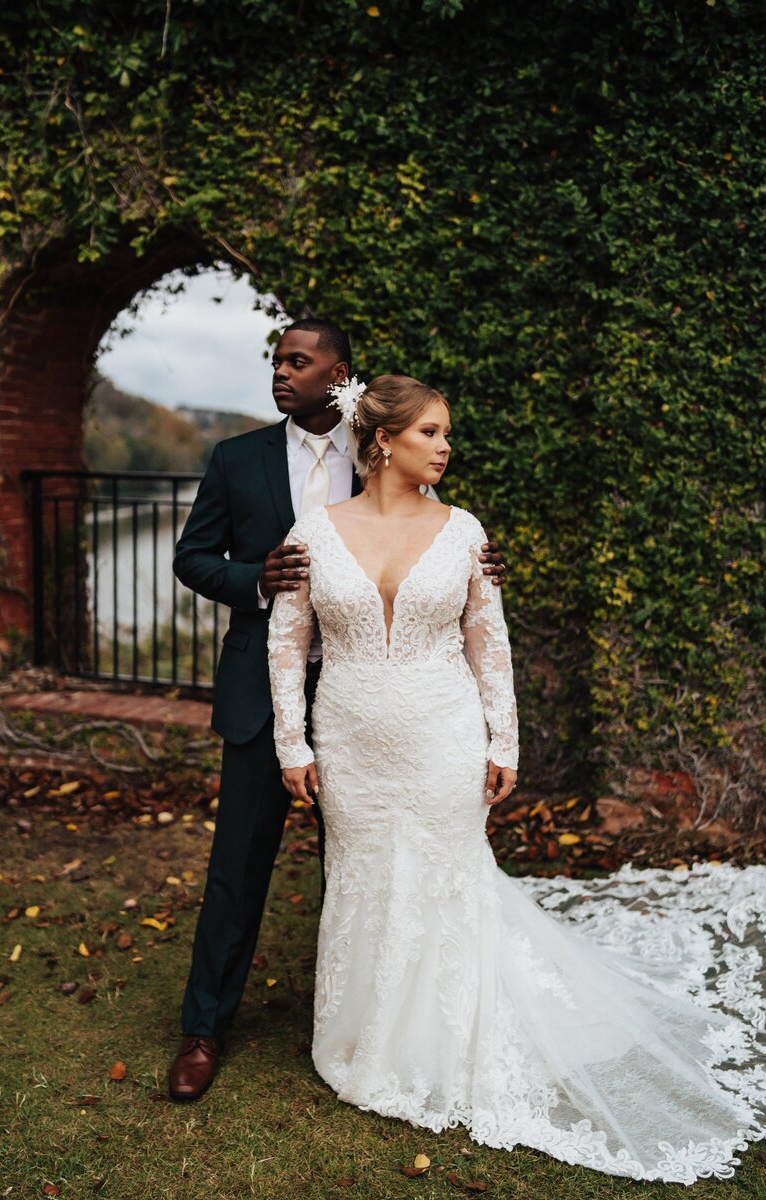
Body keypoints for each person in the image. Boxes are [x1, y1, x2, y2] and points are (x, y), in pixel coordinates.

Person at [267, 373, 766, 1184]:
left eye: (447, 434)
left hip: (444, 730)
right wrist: (293, 744)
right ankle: (363, 1037)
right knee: (361, 876)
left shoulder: (466, 531)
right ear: (384, 440)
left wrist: (507, 741)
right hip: (351, 735)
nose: (446, 447)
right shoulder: (313, 531)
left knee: (446, 876)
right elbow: (288, 644)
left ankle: (445, 1035)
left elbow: (487, 642)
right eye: (432, 432)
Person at [167, 321, 508, 1101]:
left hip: (391, 705)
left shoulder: (383, 459)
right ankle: (203, 1028)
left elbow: (438, 542)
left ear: (339, 374)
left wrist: (483, 561)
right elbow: (191, 556)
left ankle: (375, 1018)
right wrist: (255, 576)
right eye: (276, 362)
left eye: (297, 361)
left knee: (367, 868)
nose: (281, 374)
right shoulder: (237, 458)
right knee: (238, 868)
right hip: (271, 692)